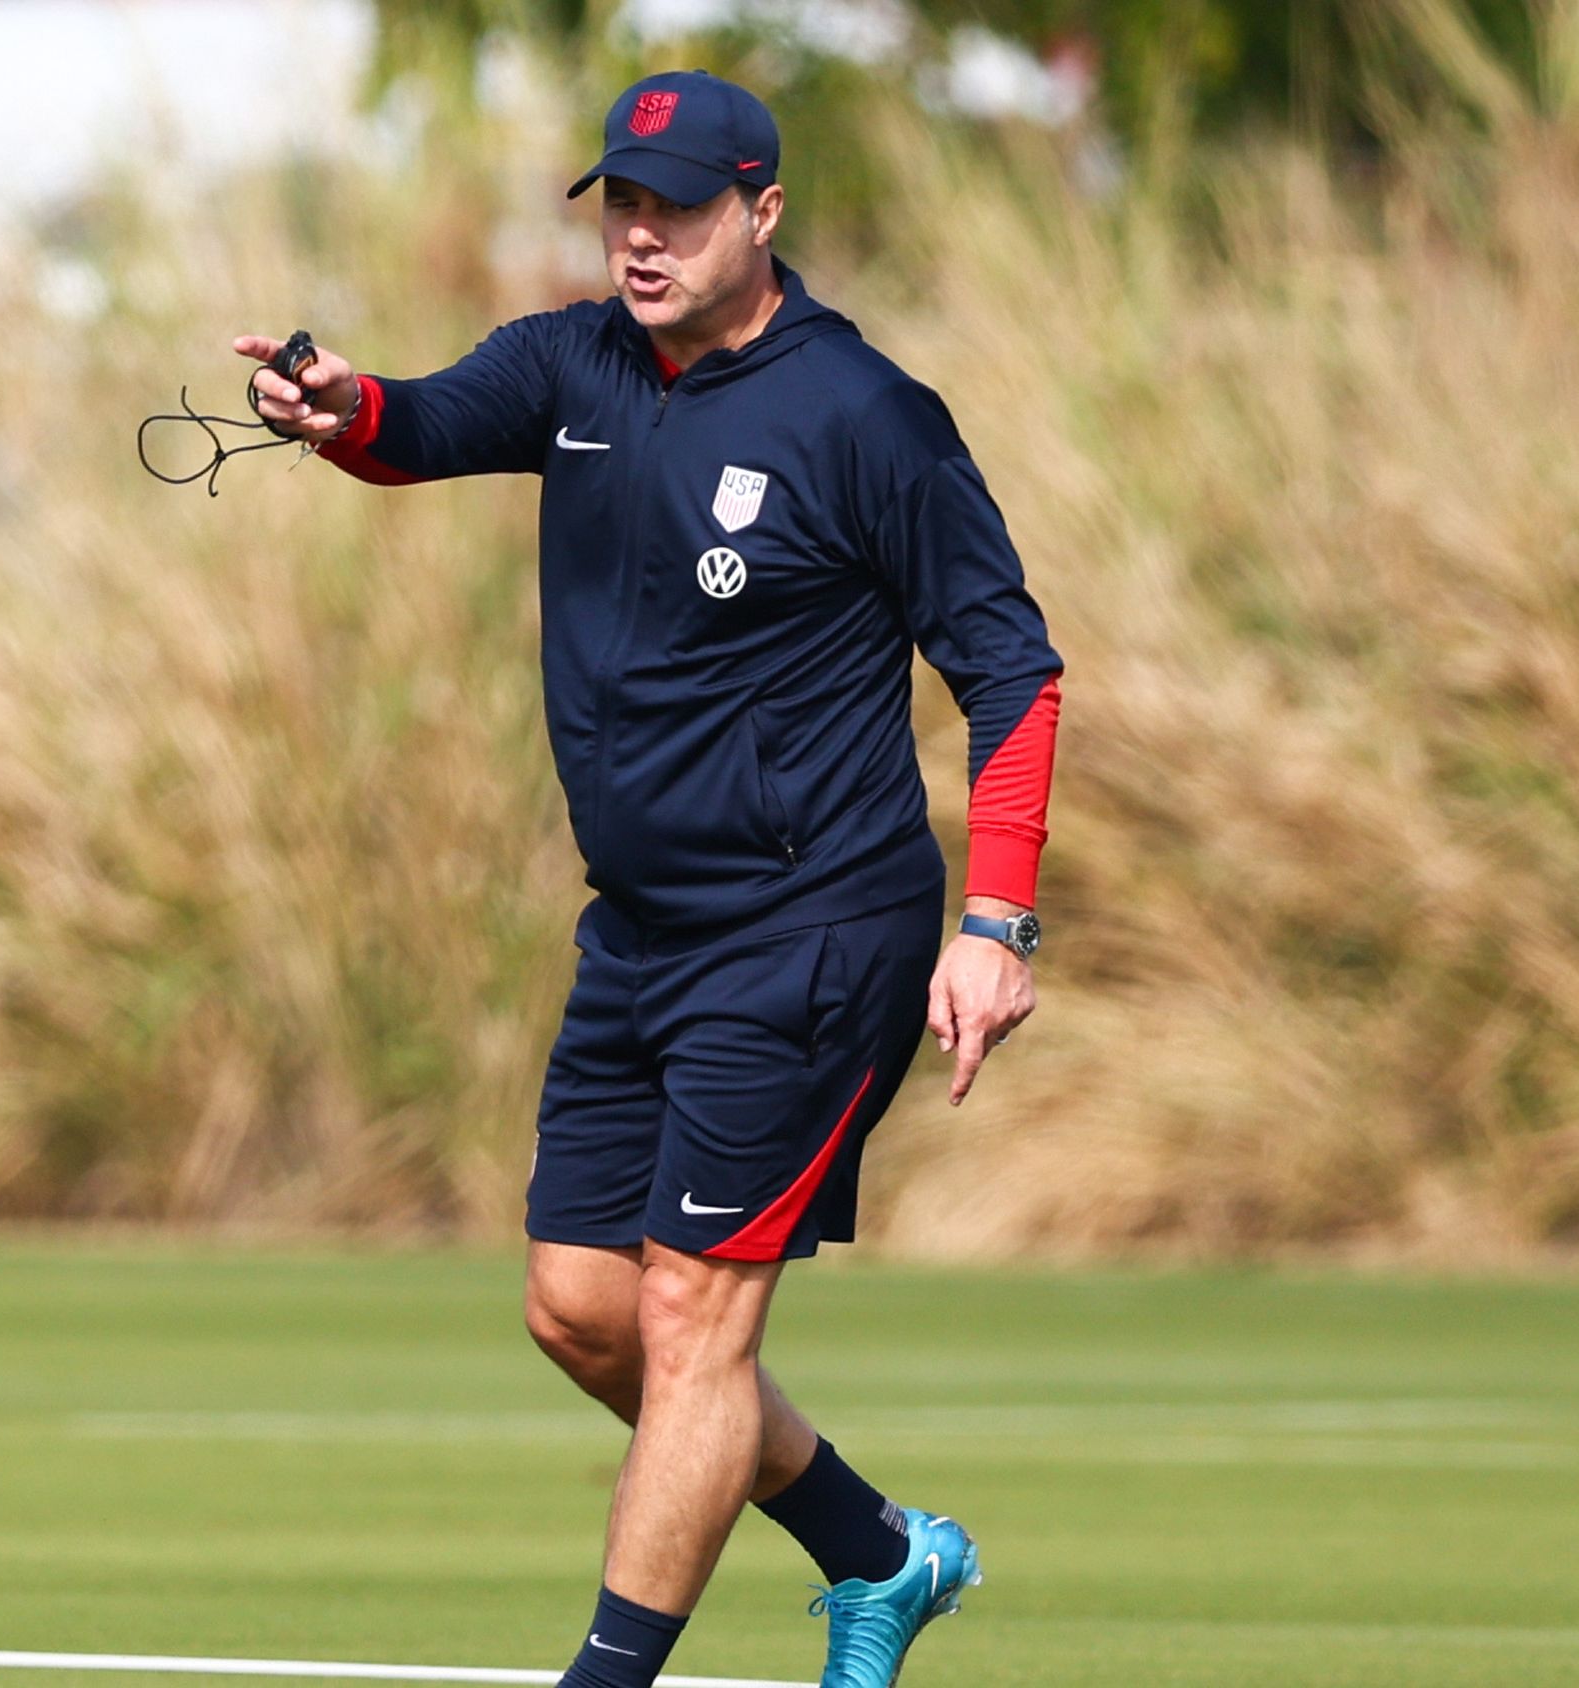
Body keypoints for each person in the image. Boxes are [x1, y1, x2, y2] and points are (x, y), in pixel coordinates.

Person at [234, 70, 1059, 1688]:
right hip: (645, 934)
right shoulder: (575, 361)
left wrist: (994, 921)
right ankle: (878, 1553)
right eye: (622, 201)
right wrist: (337, 407)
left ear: (763, 211)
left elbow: (1012, 675)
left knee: (693, 1321)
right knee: (578, 1310)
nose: (641, 233)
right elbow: (418, 424)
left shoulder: (867, 416)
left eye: (678, 204)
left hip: (821, 924)